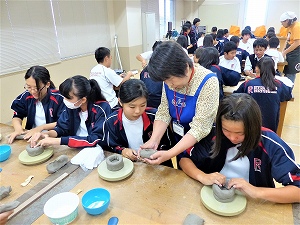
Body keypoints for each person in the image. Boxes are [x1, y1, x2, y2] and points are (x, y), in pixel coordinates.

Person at [179, 93, 300, 203]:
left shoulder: (270, 143)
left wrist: (256, 191)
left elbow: (297, 190)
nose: (232, 138)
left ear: (254, 127)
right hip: (212, 194)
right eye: (226, 130)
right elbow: (184, 160)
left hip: (254, 202)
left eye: (240, 133)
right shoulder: (212, 133)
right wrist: (202, 176)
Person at [140, 41, 220, 165]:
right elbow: (164, 111)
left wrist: (169, 153)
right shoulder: (169, 80)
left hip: (202, 144)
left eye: (170, 80)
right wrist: (154, 140)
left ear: (186, 67)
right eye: (164, 81)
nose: (168, 84)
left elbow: (200, 128)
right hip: (179, 137)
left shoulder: (208, 82)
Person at [103, 79, 173, 166]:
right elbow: (110, 146)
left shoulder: (156, 117)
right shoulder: (112, 121)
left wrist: (155, 153)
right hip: (129, 165)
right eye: (132, 107)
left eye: (143, 105)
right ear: (120, 102)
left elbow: (168, 144)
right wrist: (123, 151)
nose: (138, 111)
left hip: (157, 165)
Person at [31, 75, 111, 148]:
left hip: (98, 148)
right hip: (75, 147)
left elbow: (95, 139)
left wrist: (58, 141)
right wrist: (47, 134)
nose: (65, 101)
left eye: (68, 98)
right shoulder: (72, 106)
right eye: (64, 97)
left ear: (83, 99)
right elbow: (61, 128)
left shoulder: (101, 109)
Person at [8, 66, 65, 144]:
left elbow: (64, 121)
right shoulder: (26, 96)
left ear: (47, 84)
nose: (32, 91)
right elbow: (17, 116)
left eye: (36, 88)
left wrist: (41, 128)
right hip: (32, 136)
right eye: (29, 87)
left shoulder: (59, 98)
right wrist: (18, 129)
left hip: (53, 137)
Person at [234, 57, 292, 132]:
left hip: (250, 123)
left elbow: (235, 96)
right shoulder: (279, 84)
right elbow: (288, 96)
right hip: (270, 127)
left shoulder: (248, 84)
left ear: (258, 69)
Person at [280, 11, 300, 83]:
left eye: (283, 22)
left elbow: (297, 42)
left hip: (296, 51)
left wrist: (285, 52)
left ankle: (289, 91)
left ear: (288, 20)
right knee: (286, 70)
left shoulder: (297, 27)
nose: (282, 24)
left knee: (291, 72)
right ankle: (285, 88)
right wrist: (283, 51)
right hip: (290, 48)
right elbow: (287, 39)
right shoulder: (289, 27)